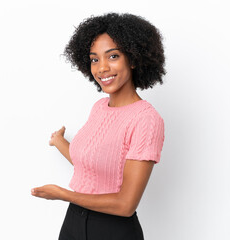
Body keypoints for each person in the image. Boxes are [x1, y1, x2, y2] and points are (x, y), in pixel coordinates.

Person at [31, 12, 166, 240]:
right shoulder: (100, 107)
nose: (101, 68)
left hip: (112, 229)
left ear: (133, 59)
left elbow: (125, 205)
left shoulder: (146, 119)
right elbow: (94, 164)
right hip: (73, 221)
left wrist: (64, 195)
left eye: (112, 56)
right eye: (95, 59)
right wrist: (61, 142)